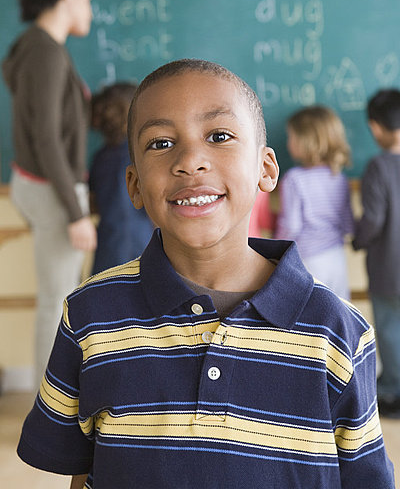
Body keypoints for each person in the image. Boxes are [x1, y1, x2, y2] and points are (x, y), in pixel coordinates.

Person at [17, 60, 394, 488]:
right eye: (160, 143)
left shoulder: (338, 331)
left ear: (266, 170)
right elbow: (81, 471)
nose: (190, 160)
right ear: (135, 185)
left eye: (219, 136)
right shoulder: (89, 316)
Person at [2, 0, 97, 389]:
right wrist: (75, 213)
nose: (90, 10)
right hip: (52, 190)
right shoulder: (45, 52)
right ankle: (47, 414)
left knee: (56, 299)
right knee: (56, 303)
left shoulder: (32, 47)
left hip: (39, 185)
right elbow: (45, 138)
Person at [353, 88, 400, 419]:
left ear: (375, 127)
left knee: (389, 329)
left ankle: (394, 392)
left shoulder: (378, 167)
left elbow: (373, 219)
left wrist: (358, 240)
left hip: (389, 269)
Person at [275, 106, 354, 300]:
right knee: (339, 311)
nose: (288, 142)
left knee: (310, 316)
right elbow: (348, 224)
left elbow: (291, 226)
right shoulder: (339, 177)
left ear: (305, 141)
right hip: (336, 258)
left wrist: (275, 248)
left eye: (291, 137)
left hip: (308, 260)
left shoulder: (295, 179)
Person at [90, 82, 153, 274]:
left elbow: (94, 201)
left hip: (108, 245)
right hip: (142, 241)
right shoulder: (145, 155)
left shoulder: (100, 157)